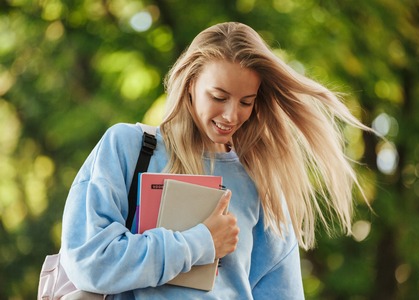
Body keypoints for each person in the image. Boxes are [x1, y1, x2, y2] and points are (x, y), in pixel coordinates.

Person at [60, 22, 369, 299]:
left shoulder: (260, 183)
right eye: (219, 97)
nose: (232, 115)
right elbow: (90, 263)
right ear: (190, 83)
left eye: (246, 102)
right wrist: (201, 243)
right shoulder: (129, 147)